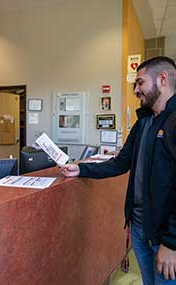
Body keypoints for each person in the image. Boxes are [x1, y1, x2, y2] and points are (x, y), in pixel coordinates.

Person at [60, 56, 176, 285]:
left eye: (140, 82)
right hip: (140, 228)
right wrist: (81, 169)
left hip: (165, 238)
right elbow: (121, 162)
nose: (135, 90)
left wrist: (172, 242)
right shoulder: (144, 121)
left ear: (162, 79)